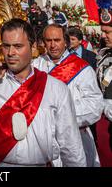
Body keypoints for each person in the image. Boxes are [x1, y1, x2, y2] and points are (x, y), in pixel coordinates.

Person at [0, 18, 86, 167]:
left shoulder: (55, 88)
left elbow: (71, 145)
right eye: (6, 46)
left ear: (33, 46)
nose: (10, 53)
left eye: (18, 46)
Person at [33, 24, 103, 167]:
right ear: (43, 42)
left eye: (57, 40)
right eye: (48, 40)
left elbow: (95, 106)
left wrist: (60, 113)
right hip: (41, 139)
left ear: (65, 41)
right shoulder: (34, 66)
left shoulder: (83, 69)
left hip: (74, 138)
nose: (53, 45)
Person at [96, 21, 112, 166]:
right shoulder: (104, 55)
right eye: (103, 31)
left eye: (108, 32)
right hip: (103, 119)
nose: (103, 36)